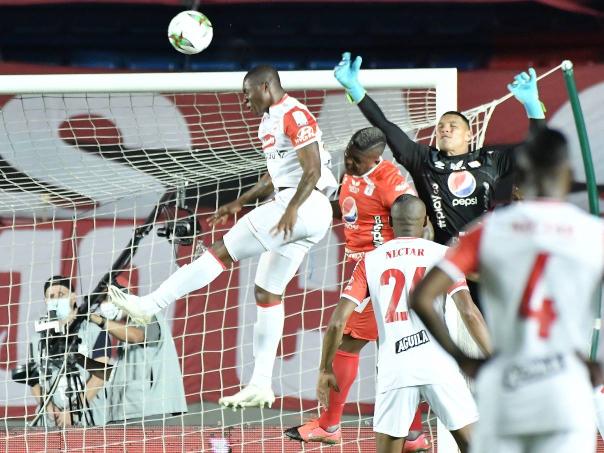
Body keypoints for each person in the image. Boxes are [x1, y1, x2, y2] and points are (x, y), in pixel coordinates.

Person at [108, 65, 338, 409]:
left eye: (248, 93)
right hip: (304, 209)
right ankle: (261, 384)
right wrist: (239, 202)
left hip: (304, 202)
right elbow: (273, 176)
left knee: (220, 252)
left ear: (265, 86)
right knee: (267, 291)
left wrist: (292, 209)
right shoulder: (268, 122)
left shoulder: (294, 113)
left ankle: (149, 305)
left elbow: (313, 169)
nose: (245, 101)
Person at [410, 128, 601, 453]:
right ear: (568, 175)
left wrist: (464, 360)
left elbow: (422, 297)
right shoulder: (592, 233)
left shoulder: (486, 231)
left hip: (506, 385)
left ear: (520, 176)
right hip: (565, 387)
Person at [284, 126, 430, 449]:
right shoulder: (352, 171)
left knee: (346, 344)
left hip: (378, 273)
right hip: (362, 267)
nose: (348, 162)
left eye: (356, 160)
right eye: (348, 155)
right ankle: (413, 434)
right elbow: (351, 209)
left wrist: (409, 263)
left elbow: (419, 220)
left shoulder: (389, 180)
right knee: (393, 350)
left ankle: (330, 425)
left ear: (376, 159)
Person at [317, 195, 490, 453]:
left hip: (395, 369)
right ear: (426, 222)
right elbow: (469, 312)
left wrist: (325, 368)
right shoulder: (444, 255)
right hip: (439, 365)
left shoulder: (370, 261)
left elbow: (337, 322)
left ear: (390, 222)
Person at [334, 52, 545, 245]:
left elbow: (539, 149)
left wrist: (532, 105)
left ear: (469, 134)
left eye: (453, 126)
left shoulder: (490, 159)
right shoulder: (422, 159)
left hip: (482, 251)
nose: (445, 129)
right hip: (440, 256)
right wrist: (355, 89)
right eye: (441, 126)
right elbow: (385, 126)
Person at [90, 296, 187, 423]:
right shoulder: (130, 325)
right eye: (100, 302)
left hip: (149, 410)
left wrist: (101, 321)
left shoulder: (149, 315)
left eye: (107, 300)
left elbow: (137, 336)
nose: (103, 305)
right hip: (130, 410)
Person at [29, 275, 111, 427]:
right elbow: (33, 379)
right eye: (51, 296)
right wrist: (49, 408)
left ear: (73, 297)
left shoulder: (95, 331)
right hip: (49, 421)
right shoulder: (37, 339)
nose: (56, 300)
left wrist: (74, 411)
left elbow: (101, 374)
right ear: (46, 301)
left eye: (61, 294)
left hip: (88, 418)